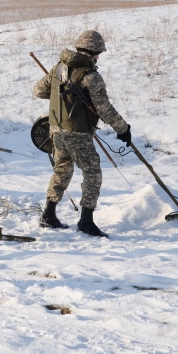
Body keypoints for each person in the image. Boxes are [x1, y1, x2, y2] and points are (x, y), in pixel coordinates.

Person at [32, 30, 130, 237]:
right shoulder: (91, 76)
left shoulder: (59, 68)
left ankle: (48, 214)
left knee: (62, 170)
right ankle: (86, 221)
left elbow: (39, 91)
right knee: (92, 173)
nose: (98, 57)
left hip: (56, 130)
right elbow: (104, 108)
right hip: (77, 134)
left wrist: (61, 93)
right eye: (98, 54)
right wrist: (123, 129)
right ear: (93, 52)